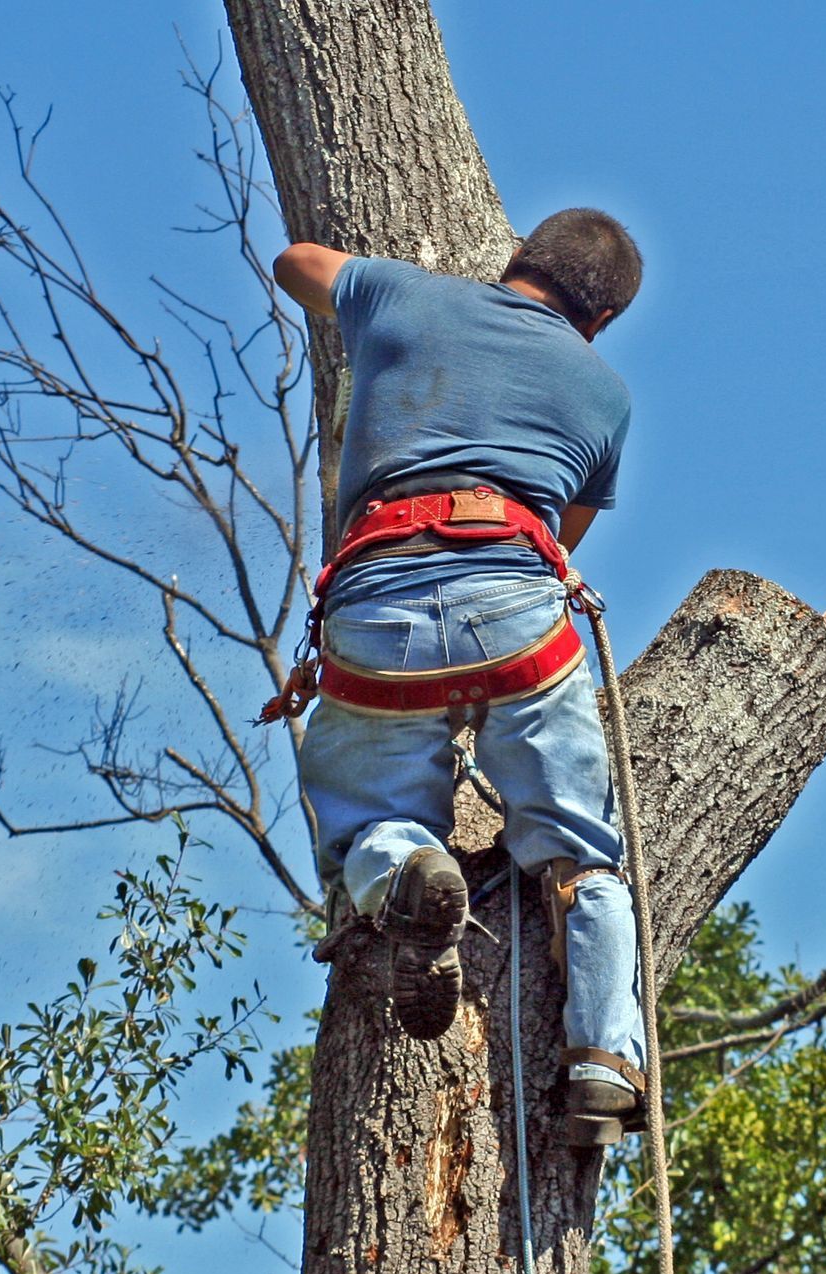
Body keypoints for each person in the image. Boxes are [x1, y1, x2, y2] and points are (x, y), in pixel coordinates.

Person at [270, 208, 649, 1147]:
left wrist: (370, 290)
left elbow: (296, 264)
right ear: (598, 322)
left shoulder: (402, 294)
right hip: (519, 618)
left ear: (516, 261)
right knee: (582, 852)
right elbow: (561, 541)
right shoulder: (605, 394)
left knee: (364, 815)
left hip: (375, 612)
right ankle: (603, 1059)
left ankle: (404, 867)